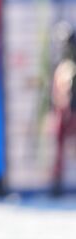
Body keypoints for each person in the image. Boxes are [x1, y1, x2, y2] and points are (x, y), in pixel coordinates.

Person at [51, 21, 76, 196]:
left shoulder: (71, 64)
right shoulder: (62, 64)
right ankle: (56, 184)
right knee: (58, 148)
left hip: (72, 111)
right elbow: (56, 90)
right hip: (63, 110)